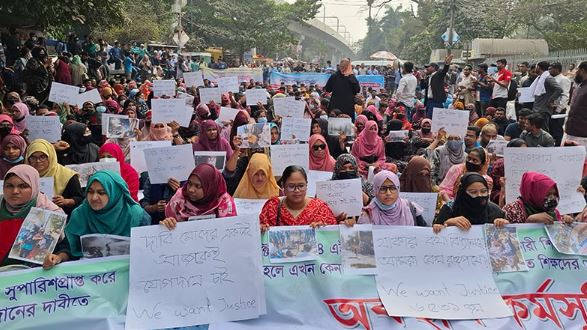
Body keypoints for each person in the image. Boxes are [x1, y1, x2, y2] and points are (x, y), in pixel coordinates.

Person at [52, 171, 150, 262]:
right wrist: (58, 257)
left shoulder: (136, 216)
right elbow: (69, 247)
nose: (94, 198)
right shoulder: (80, 214)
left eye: (101, 193)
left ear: (115, 193)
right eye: (90, 192)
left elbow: (148, 249)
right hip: (93, 275)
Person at [0, 165, 64, 267]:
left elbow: (62, 248)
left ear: (34, 186)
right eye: (9, 186)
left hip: (31, 275)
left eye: (23, 186)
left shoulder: (50, 212)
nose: (15, 191)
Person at [259, 165, 336, 231]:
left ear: (307, 185)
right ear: (283, 186)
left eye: (301, 186)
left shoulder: (320, 208)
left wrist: (323, 229)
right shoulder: (272, 207)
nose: (297, 190)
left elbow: (333, 235)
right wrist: (261, 229)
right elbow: (261, 234)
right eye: (291, 186)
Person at [160, 164, 236, 228]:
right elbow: (170, 230)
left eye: (197, 186)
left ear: (210, 188)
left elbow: (229, 231)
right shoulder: (178, 200)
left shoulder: (224, 203)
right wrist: (168, 223)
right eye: (189, 183)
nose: (191, 190)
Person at [433, 173, 507, 233]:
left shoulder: (495, 211)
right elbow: (436, 232)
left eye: (484, 191)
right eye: (473, 192)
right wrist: (448, 223)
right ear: (463, 193)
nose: (479, 195)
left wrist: (504, 224)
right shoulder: (449, 209)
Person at [26, 139, 84, 215]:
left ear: (50, 156)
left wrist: (66, 201)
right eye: (33, 157)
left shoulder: (67, 175)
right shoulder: (25, 175)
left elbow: (79, 198)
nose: (38, 161)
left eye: (43, 157)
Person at [355, 170, 425, 226]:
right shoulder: (367, 214)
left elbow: (425, 232)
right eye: (382, 188)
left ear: (398, 189)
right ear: (376, 190)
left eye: (393, 188)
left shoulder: (410, 208)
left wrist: (435, 229)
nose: (388, 193)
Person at [503, 172, 573, 224]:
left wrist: (565, 222)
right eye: (547, 194)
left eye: (554, 194)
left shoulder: (554, 213)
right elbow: (505, 237)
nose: (552, 198)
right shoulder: (512, 210)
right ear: (533, 193)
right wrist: (529, 222)